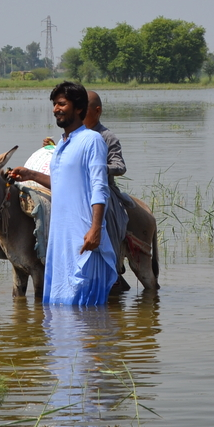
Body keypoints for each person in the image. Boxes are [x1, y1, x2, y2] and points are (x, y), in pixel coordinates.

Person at [9, 81, 116, 305]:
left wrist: (95, 229)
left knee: (86, 309)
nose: (55, 109)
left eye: (61, 104)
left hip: (82, 235)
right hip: (61, 238)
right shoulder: (61, 144)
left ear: (79, 108)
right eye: (54, 105)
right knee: (60, 307)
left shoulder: (92, 140)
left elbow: (99, 187)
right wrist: (30, 174)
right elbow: (61, 184)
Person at [83, 90, 130, 290]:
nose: (78, 113)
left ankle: (114, 266)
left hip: (103, 189)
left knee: (106, 216)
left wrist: (97, 167)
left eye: (83, 109)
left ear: (97, 111)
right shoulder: (74, 135)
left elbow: (120, 166)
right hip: (78, 189)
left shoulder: (107, 137)